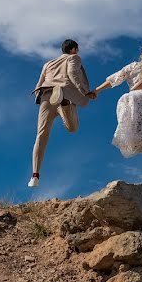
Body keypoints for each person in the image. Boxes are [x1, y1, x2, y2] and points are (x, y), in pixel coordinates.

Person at [29, 39, 95, 187]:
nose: (77, 52)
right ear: (73, 49)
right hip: (65, 94)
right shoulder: (73, 58)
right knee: (72, 128)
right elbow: (72, 73)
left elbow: (39, 84)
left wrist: (41, 98)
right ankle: (64, 105)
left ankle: (35, 176)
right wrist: (86, 92)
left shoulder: (48, 63)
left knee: (41, 135)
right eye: (77, 49)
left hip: (46, 96)